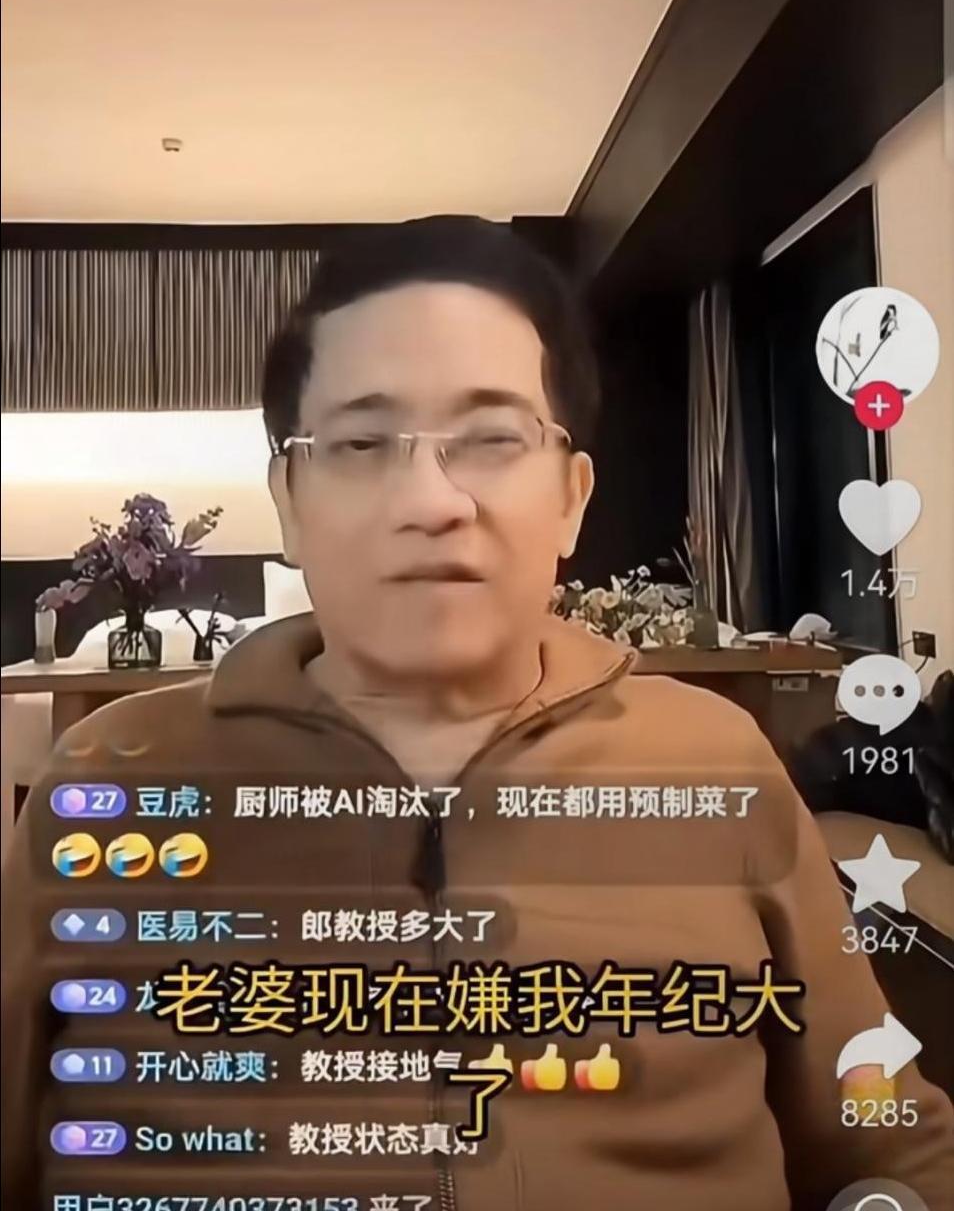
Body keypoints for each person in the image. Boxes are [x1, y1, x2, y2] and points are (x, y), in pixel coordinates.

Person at [3, 216, 953, 1211]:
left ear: (572, 499)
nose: (432, 500)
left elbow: (885, 1136)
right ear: (288, 498)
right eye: (361, 442)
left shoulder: (714, 762)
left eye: (493, 439)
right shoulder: (114, 774)